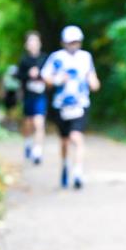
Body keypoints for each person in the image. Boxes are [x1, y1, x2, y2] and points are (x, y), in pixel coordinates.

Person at [41, 25, 100, 189]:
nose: (73, 45)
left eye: (76, 42)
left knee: (77, 137)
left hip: (80, 104)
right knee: (65, 140)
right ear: (64, 43)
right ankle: (66, 165)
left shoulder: (85, 57)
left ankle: (78, 171)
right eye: (70, 42)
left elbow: (92, 77)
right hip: (61, 105)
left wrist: (94, 83)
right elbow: (45, 77)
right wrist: (57, 80)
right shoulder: (56, 58)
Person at [17, 31, 47, 165]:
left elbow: (50, 76)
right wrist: (29, 74)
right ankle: (28, 142)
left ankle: (37, 151)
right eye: (30, 42)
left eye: (35, 41)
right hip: (28, 95)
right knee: (28, 123)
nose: (33, 44)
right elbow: (18, 76)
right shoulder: (23, 60)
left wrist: (40, 75)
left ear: (39, 43)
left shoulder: (45, 59)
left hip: (41, 95)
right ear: (26, 45)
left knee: (39, 122)